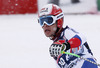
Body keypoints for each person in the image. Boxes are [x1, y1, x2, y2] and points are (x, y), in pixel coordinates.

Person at [38, 4, 99, 68]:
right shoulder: (55, 48)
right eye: (42, 21)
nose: (45, 25)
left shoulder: (66, 33)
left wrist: (66, 45)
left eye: (49, 21)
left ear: (59, 21)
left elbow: (80, 38)